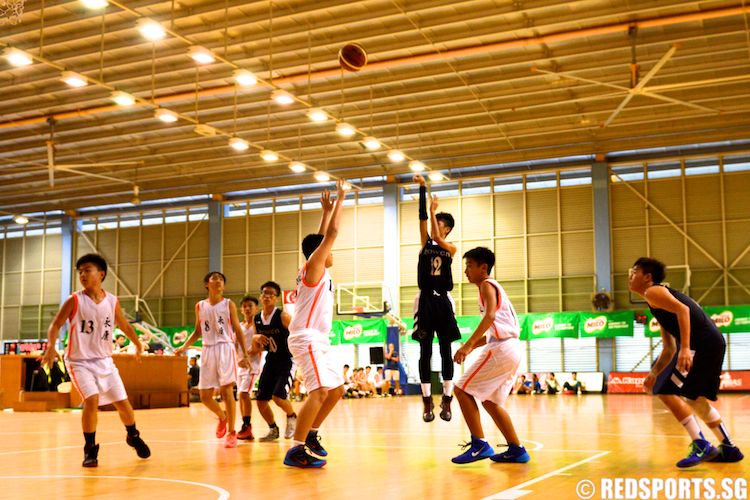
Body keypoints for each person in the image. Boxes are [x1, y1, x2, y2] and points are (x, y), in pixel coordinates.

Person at [629, 257, 743, 467]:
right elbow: (668, 348)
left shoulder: (653, 292)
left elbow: (684, 311)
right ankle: (729, 448)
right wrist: (653, 374)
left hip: (704, 344)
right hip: (710, 343)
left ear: (647, 277)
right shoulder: (655, 302)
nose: (630, 275)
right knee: (693, 398)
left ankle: (702, 444)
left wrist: (685, 348)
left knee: (672, 392)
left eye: (634, 272)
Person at [42, 253, 150, 467]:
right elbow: (55, 324)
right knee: (91, 400)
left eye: (87, 270)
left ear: (101, 274)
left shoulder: (112, 301)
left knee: (123, 403)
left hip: (105, 361)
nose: (82, 274)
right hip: (79, 362)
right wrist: (51, 347)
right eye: (80, 271)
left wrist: (137, 343)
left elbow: (125, 326)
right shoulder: (74, 300)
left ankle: (133, 435)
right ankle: (90, 449)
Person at [284, 180, 347, 468]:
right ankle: (296, 449)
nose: (332, 252)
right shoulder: (313, 265)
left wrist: (325, 210)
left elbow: (322, 235)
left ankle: (310, 434)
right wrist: (341, 197)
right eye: (327, 250)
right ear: (318, 252)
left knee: (336, 390)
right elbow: (331, 234)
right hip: (306, 337)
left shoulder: (312, 265)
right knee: (319, 392)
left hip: (319, 339)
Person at [451, 247, 530, 464]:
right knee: (490, 402)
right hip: (511, 347)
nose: (465, 271)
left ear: (483, 268)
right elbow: (495, 329)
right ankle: (517, 449)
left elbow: (490, 317)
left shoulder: (486, 285)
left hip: (502, 348)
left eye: (469, 265)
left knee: (461, 389)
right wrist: (474, 345)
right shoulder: (494, 288)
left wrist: (467, 346)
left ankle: (480, 445)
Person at [174, 271, 251, 449]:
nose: (218, 281)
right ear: (206, 284)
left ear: (223, 286)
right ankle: (223, 417)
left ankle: (232, 432)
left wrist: (244, 354)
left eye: (221, 279)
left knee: (226, 391)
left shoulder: (228, 304)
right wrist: (185, 346)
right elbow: (197, 331)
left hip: (225, 347)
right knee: (205, 396)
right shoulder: (200, 306)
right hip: (208, 349)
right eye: (214, 278)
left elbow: (238, 330)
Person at [412, 174, 461, 423]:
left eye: (439, 222)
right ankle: (427, 401)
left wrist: (434, 211)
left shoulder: (450, 247)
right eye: (435, 220)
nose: (434, 224)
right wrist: (422, 189)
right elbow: (422, 220)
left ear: (447, 228)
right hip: (425, 301)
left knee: (445, 350)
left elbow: (438, 239)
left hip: (443, 300)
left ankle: (448, 399)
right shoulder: (425, 242)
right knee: (424, 351)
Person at [254, 281, 297, 442]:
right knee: (260, 400)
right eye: (264, 293)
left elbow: (298, 333)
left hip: (287, 360)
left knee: (278, 397)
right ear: (260, 296)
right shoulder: (257, 319)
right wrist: (255, 337)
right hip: (271, 360)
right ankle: (273, 429)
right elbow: (256, 346)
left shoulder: (283, 316)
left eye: (271, 294)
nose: (267, 296)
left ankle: (292, 417)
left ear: (276, 298)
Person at [237, 295, 262, 440]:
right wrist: (238, 359)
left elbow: (263, 345)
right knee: (240, 395)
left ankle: (247, 426)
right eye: (245, 306)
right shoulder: (239, 326)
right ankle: (245, 427)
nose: (247, 308)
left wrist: (248, 354)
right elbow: (234, 345)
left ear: (256, 308)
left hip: (253, 365)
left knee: (244, 394)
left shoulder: (259, 325)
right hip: (240, 365)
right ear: (241, 309)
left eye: (250, 306)